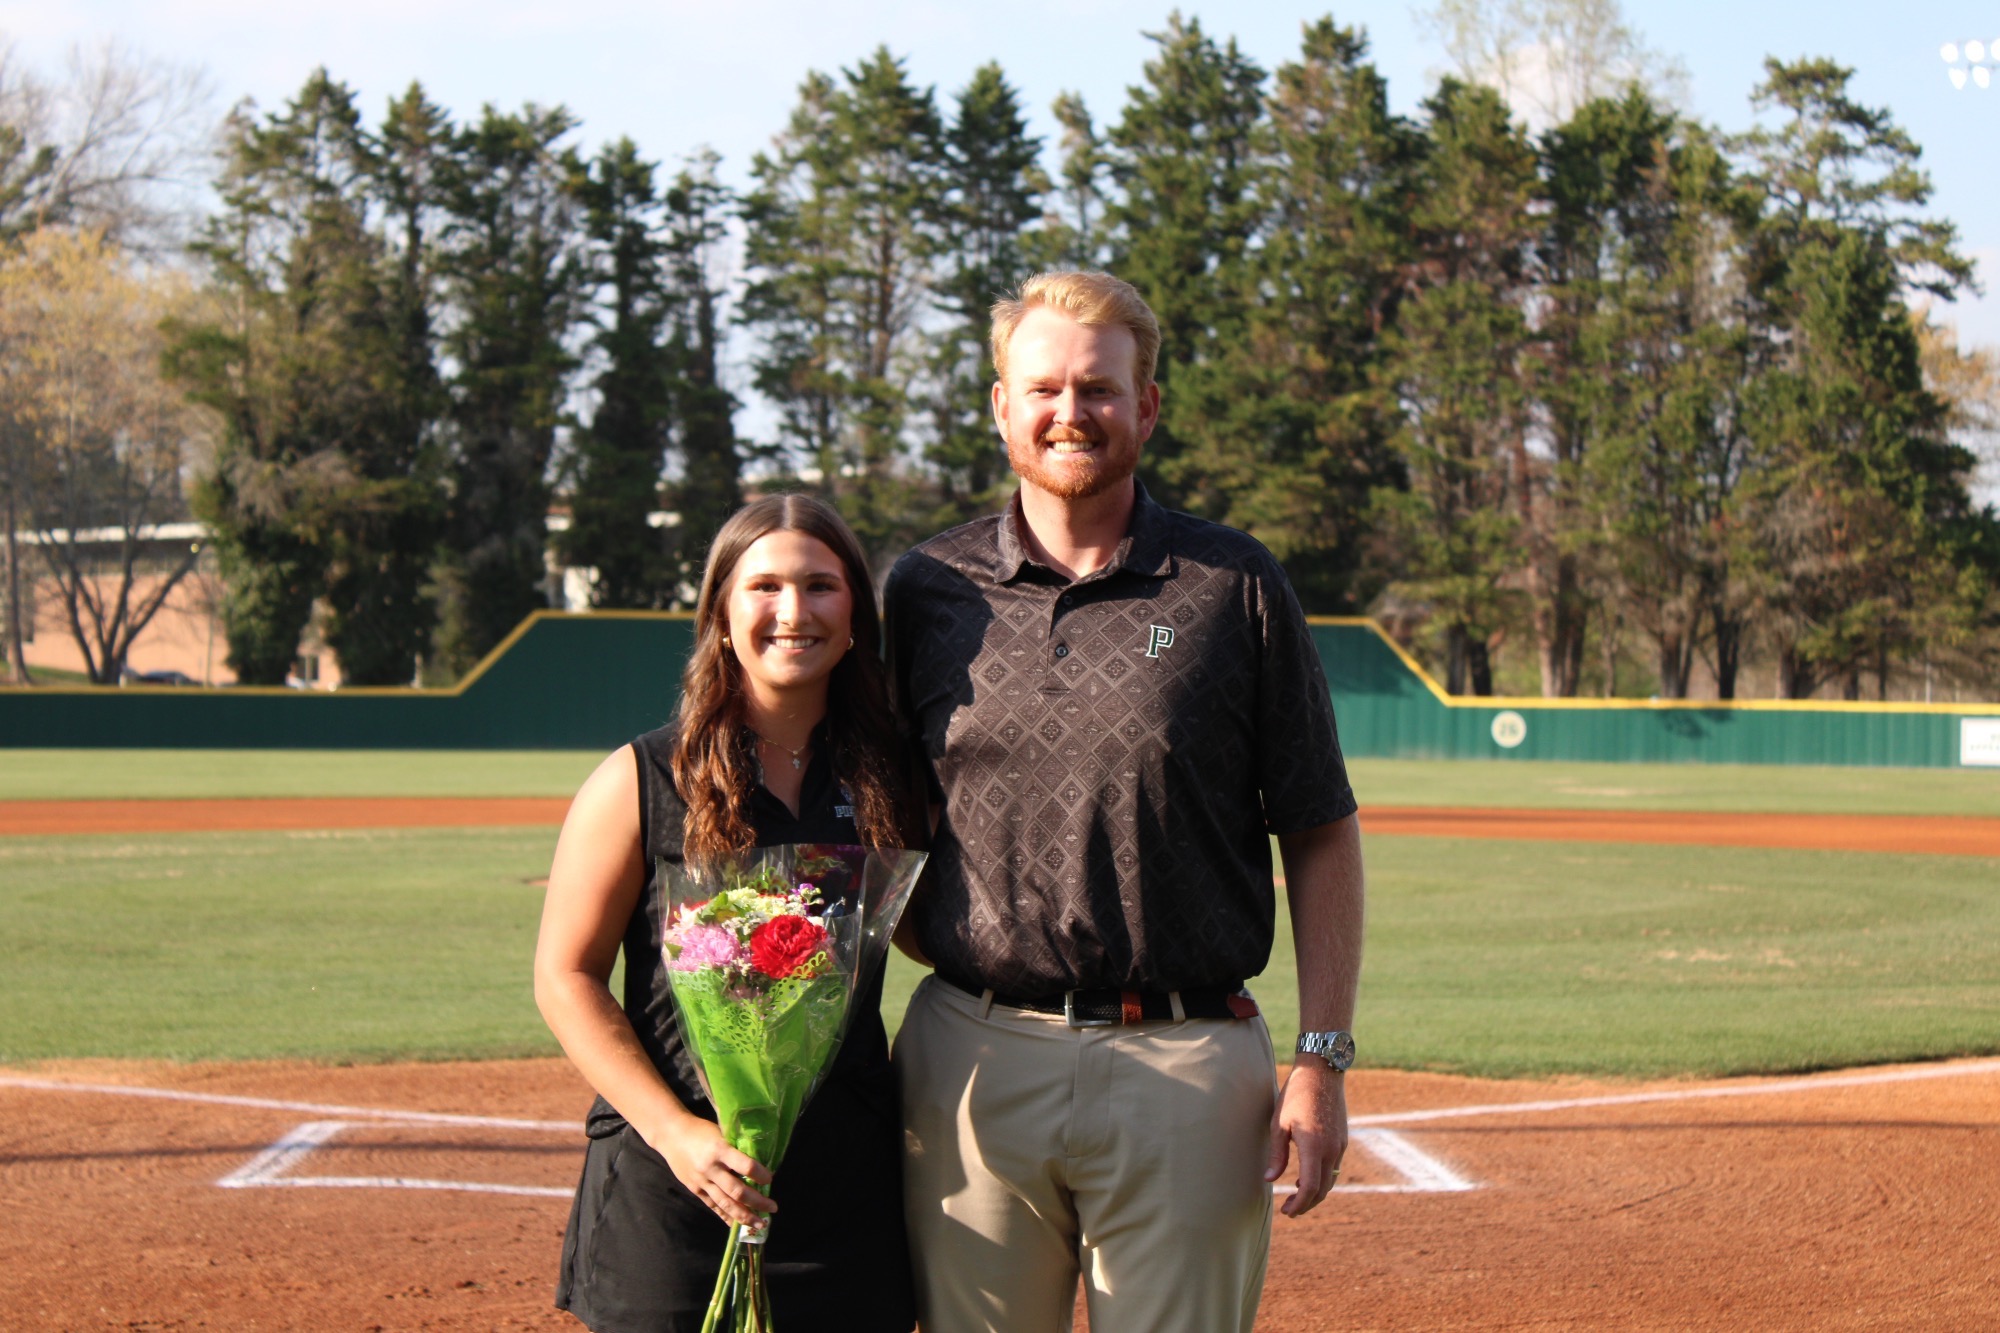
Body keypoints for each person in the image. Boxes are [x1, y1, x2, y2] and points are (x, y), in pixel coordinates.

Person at [884, 270, 1365, 1333]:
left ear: (1146, 405)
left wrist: (1320, 1059)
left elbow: (1320, 830)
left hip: (1184, 1065)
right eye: (1043, 386)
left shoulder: (1230, 584)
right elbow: (865, 815)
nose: (1071, 411)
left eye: (1100, 388)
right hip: (969, 1052)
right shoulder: (923, 589)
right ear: (1000, 405)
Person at [535, 494, 922, 1333]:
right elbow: (565, 976)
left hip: (843, 1194)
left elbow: (935, 936)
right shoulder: (642, 777)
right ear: (719, 612)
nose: (794, 611)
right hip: (673, 1187)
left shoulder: (893, 781)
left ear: (855, 608)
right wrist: (676, 1132)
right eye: (765, 586)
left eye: (821, 586)